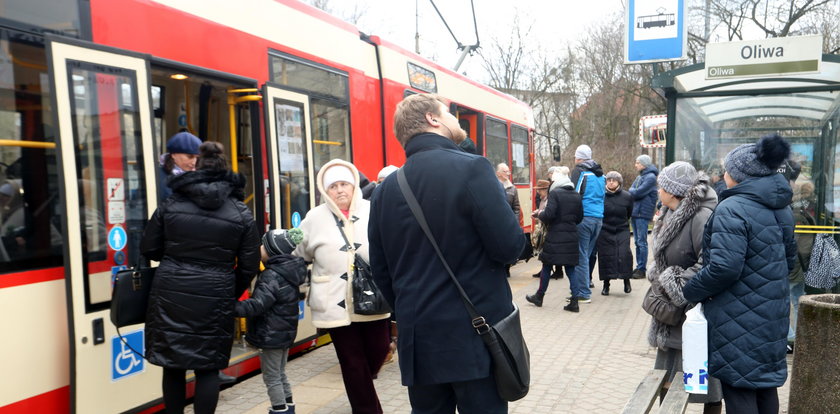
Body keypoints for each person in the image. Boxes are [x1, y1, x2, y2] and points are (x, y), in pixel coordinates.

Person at [369, 93, 524, 413]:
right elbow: (509, 247)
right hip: (476, 340)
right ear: (432, 119)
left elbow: (381, 271)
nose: (456, 119)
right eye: (450, 113)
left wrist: (412, 313)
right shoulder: (473, 168)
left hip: (419, 344)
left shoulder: (386, 189)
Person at [141, 141, 261, 414]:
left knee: (173, 367)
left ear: (196, 169)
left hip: (170, 292)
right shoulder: (241, 212)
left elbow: (149, 248)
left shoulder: (170, 204)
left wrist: (174, 260)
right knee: (208, 368)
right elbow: (250, 263)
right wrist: (229, 289)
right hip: (215, 294)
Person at [683, 134, 796, 414]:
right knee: (764, 387)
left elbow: (724, 267)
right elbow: (790, 262)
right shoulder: (781, 207)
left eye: (727, 169)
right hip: (772, 314)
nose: (723, 174)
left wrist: (690, 290)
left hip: (738, 318)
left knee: (740, 388)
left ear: (739, 175)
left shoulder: (731, 208)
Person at [292, 159, 391, 414]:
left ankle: (361, 387)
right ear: (326, 191)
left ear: (354, 185)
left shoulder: (373, 210)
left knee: (379, 350)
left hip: (373, 298)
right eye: (333, 186)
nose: (339, 190)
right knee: (352, 362)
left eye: (344, 184)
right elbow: (298, 251)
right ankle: (368, 410)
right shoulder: (314, 217)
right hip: (333, 303)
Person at [646, 161, 722, 413]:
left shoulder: (702, 217)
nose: (658, 190)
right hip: (670, 313)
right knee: (665, 374)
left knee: (704, 378)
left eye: (662, 186)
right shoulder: (668, 212)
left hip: (694, 310)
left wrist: (674, 282)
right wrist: (658, 273)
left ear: (674, 191)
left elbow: (710, 263)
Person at [235, 228, 306, 414]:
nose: (259, 248)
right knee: (280, 374)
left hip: (270, 335)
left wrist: (229, 308)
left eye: (262, 245)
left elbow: (257, 305)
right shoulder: (289, 271)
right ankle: (289, 407)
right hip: (283, 334)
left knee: (272, 377)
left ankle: (280, 410)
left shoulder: (271, 275)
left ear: (271, 251)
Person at [525, 173, 582, 308]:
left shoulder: (555, 194)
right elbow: (580, 217)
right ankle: (574, 301)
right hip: (572, 236)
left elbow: (549, 214)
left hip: (555, 236)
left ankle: (539, 296)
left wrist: (539, 214)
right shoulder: (576, 195)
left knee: (546, 265)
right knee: (571, 269)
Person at [779, 159, 815, 353]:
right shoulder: (803, 211)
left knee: (790, 299)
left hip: (793, 265)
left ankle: (792, 335)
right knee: (797, 298)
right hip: (799, 264)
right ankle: (797, 333)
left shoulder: (793, 213)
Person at [566, 144, 605, 311]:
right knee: (587, 254)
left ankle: (583, 293)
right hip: (598, 219)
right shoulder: (600, 175)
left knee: (581, 256)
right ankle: (580, 288)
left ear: (579, 157)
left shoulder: (580, 171)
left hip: (584, 218)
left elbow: (573, 194)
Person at [596, 171, 634, 296]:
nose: (611, 182)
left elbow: (629, 213)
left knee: (624, 254)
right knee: (606, 256)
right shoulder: (601, 196)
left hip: (622, 229)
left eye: (614, 180)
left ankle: (626, 280)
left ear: (619, 182)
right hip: (605, 230)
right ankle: (606, 284)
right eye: (609, 180)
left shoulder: (627, 196)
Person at [628, 154, 658, 279]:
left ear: (644, 164)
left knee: (641, 241)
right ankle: (638, 266)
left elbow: (638, 192)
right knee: (637, 241)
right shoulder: (641, 176)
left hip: (642, 213)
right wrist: (633, 191)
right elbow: (632, 189)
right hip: (636, 212)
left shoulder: (650, 177)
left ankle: (642, 269)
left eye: (637, 163)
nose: (635, 165)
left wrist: (633, 191)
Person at [157, 131, 202, 200]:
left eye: (197, 157)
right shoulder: (156, 176)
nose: (194, 162)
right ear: (174, 155)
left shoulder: (199, 176)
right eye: (190, 157)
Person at [497, 162, 521, 277]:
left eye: (508, 171)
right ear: (498, 173)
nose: (508, 174)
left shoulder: (512, 188)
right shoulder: (493, 187)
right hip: (497, 222)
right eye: (505, 171)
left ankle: (507, 269)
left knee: (507, 246)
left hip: (508, 223)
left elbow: (516, 208)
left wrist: (515, 223)